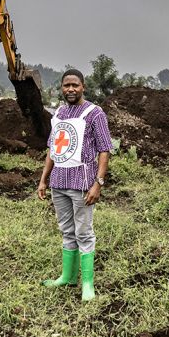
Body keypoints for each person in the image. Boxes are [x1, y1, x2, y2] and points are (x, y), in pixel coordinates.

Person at [37, 69, 112, 302]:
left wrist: (98, 183)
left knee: (84, 233)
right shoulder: (59, 113)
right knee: (67, 231)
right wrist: (43, 179)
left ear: (83, 87)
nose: (70, 89)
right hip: (59, 183)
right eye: (66, 85)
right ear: (61, 88)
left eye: (75, 85)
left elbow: (104, 149)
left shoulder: (94, 113)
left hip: (82, 184)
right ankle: (67, 277)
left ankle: (87, 284)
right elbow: (53, 149)